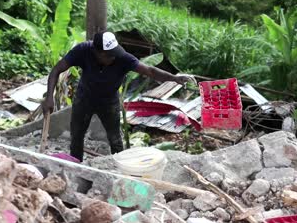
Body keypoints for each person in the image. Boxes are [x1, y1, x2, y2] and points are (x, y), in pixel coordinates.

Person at [42, 31, 192, 162]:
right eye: (109, 55)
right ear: (96, 52)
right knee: (77, 135)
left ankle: (120, 166)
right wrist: (49, 97)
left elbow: (150, 71)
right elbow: (56, 70)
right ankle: (76, 164)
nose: (114, 57)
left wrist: (175, 78)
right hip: (84, 98)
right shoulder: (83, 51)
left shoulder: (122, 58)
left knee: (115, 138)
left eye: (115, 53)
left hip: (109, 102)